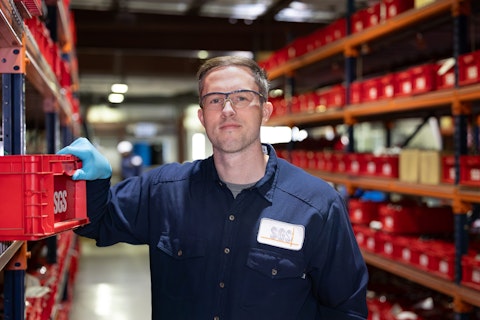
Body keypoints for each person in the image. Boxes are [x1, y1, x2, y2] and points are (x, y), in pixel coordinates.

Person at [58, 56, 368, 319]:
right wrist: (92, 182)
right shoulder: (163, 191)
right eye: (215, 100)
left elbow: (345, 308)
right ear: (202, 116)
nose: (228, 109)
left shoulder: (316, 203)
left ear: (266, 111)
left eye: (242, 97)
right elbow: (96, 222)